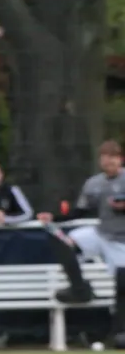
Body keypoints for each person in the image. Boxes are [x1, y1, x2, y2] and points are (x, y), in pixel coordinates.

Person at [37, 141, 125, 342]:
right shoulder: (94, 183)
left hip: (122, 241)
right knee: (61, 240)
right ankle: (79, 288)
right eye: (104, 158)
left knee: (123, 284)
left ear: (120, 159)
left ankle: (120, 330)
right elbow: (80, 211)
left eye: (112, 158)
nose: (108, 162)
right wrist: (54, 217)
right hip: (102, 233)